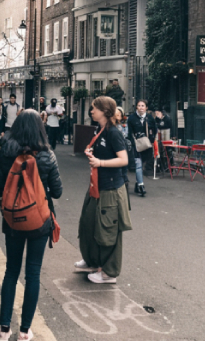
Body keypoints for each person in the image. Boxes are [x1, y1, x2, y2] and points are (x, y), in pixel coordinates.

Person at [0, 110, 62, 341]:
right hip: (39, 221)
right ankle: (25, 331)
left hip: (13, 219)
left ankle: (4, 329)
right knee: (33, 273)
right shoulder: (47, 155)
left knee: (11, 271)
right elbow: (59, 191)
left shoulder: (5, 152)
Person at [75, 96, 132, 284]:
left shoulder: (113, 133)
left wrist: (100, 162)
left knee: (107, 230)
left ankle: (108, 272)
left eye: (94, 108)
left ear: (104, 111)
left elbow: (124, 160)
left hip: (110, 188)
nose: (91, 111)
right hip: (97, 186)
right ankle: (93, 261)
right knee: (89, 223)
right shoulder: (101, 130)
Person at [127, 100, 153, 197]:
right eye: (139, 105)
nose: (141, 107)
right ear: (136, 107)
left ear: (146, 107)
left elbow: (154, 129)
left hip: (146, 145)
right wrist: (132, 142)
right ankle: (141, 186)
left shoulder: (149, 118)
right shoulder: (132, 118)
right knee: (138, 164)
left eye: (143, 106)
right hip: (136, 145)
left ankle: (137, 184)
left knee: (142, 164)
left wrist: (150, 139)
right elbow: (129, 133)